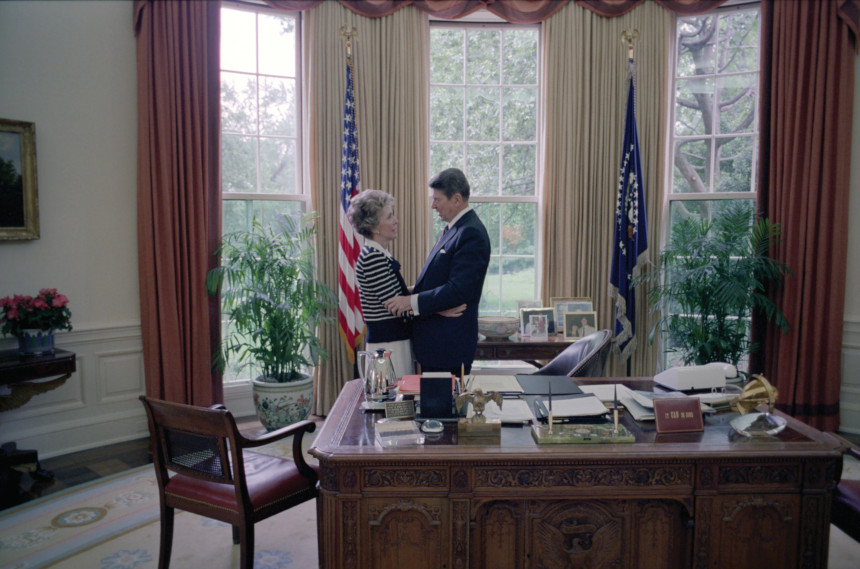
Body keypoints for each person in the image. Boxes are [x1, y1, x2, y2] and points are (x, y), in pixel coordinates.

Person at [385, 168, 491, 376]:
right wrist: (412, 291)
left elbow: (458, 290)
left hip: (448, 348)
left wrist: (410, 302)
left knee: (444, 408)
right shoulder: (455, 229)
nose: (433, 206)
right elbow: (442, 280)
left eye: (438, 200)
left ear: (457, 199)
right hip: (438, 345)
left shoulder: (471, 233)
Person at [347, 189, 464, 378]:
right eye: (389, 217)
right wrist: (439, 309)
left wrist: (436, 295)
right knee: (392, 403)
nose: (396, 221)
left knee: (399, 401)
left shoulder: (378, 254)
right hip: (387, 346)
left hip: (395, 341)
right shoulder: (372, 258)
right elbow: (396, 305)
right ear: (374, 227)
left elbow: (401, 295)